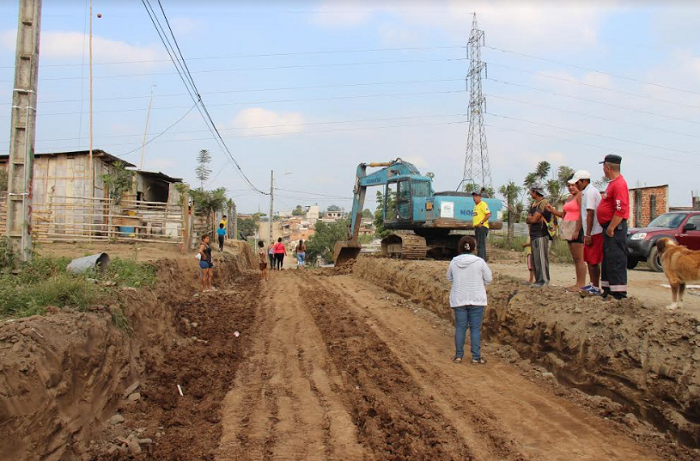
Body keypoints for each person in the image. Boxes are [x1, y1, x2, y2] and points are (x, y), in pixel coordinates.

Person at [447, 235, 492, 364]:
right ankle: (476, 357)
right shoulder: (480, 262)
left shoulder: (454, 262)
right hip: (477, 299)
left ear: (460, 247)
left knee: (460, 328)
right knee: (475, 329)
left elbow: (449, 278)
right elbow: (489, 279)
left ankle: (458, 356)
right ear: (473, 247)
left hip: (459, 298)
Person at [597, 154, 629, 300]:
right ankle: (608, 289)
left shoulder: (619, 184)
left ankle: (619, 294)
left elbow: (621, 209)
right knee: (608, 259)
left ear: (608, 167)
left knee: (616, 259)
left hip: (615, 229)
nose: (603, 170)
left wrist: (611, 227)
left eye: (603, 167)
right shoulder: (612, 183)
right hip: (608, 228)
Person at [546, 175, 587, 291]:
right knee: (575, 257)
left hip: (576, 227)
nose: (571, 188)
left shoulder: (580, 196)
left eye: (573, 185)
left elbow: (582, 214)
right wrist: (552, 211)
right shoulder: (569, 198)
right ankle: (577, 283)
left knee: (580, 258)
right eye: (569, 186)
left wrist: (577, 230)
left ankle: (581, 284)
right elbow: (563, 215)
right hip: (568, 227)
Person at [575, 170, 604, 295]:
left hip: (595, 232)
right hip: (591, 231)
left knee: (593, 260)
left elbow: (590, 213)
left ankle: (596, 287)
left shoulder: (590, 193)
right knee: (589, 259)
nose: (576, 185)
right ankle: (592, 284)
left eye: (578, 182)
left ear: (584, 181)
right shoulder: (585, 193)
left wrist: (588, 234)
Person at [525, 185, 552, 287]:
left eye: (531, 192)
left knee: (541, 258)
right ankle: (538, 280)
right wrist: (531, 219)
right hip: (534, 233)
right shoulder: (533, 204)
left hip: (541, 233)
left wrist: (532, 219)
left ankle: (544, 280)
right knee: (535, 259)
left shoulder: (543, 203)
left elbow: (534, 219)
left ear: (535, 192)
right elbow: (529, 219)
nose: (531, 194)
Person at [471, 190, 491, 261]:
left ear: (480, 197)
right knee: (479, 244)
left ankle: (481, 260)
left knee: (481, 244)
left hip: (482, 227)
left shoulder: (483, 204)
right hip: (477, 227)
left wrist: (481, 222)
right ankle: (479, 259)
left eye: (476, 196)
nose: (474, 198)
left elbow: (488, 214)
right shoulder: (475, 206)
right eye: (473, 196)